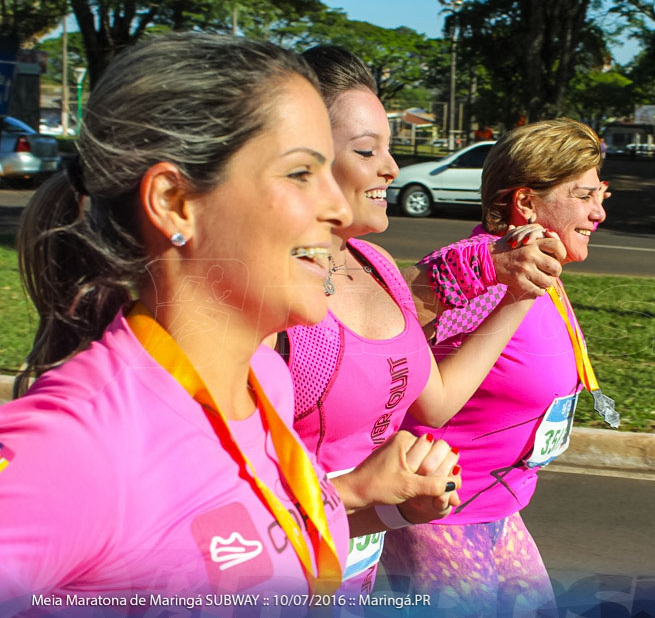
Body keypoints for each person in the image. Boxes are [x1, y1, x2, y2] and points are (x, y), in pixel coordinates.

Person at [0, 33, 458, 608]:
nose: (339, 208)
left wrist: (383, 504)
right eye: (299, 173)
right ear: (175, 201)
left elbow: (248, 549)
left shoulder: (267, 381)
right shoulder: (76, 445)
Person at [281, 46, 565, 595]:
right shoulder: (279, 298)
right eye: (367, 150)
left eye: (389, 148)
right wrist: (361, 491)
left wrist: (516, 296)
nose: (391, 168)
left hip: (350, 575)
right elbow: (221, 499)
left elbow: (434, 402)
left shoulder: (379, 267)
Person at [382, 118, 620, 615]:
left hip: (498, 508)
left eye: (602, 195)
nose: (598, 212)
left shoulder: (536, 266)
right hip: (441, 517)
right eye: (583, 196)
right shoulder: (481, 271)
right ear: (526, 203)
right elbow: (392, 344)